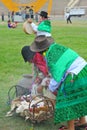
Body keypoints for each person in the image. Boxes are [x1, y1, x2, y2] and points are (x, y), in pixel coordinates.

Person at [30, 35, 87, 130]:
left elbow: (57, 77)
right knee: (78, 96)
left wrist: (50, 87)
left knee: (67, 100)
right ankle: (82, 121)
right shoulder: (57, 47)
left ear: (40, 51)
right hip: (84, 70)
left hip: (75, 75)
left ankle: (71, 128)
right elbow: (62, 68)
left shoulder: (50, 56)